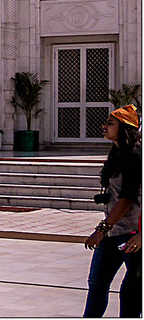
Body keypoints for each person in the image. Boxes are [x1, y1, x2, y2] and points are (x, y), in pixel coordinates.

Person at [83, 104, 141, 317]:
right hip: (114, 233)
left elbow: (127, 199)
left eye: (110, 123)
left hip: (133, 236)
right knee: (97, 285)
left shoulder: (135, 155)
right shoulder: (117, 153)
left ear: (124, 128)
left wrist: (101, 230)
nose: (104, 126)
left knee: (131, 293)